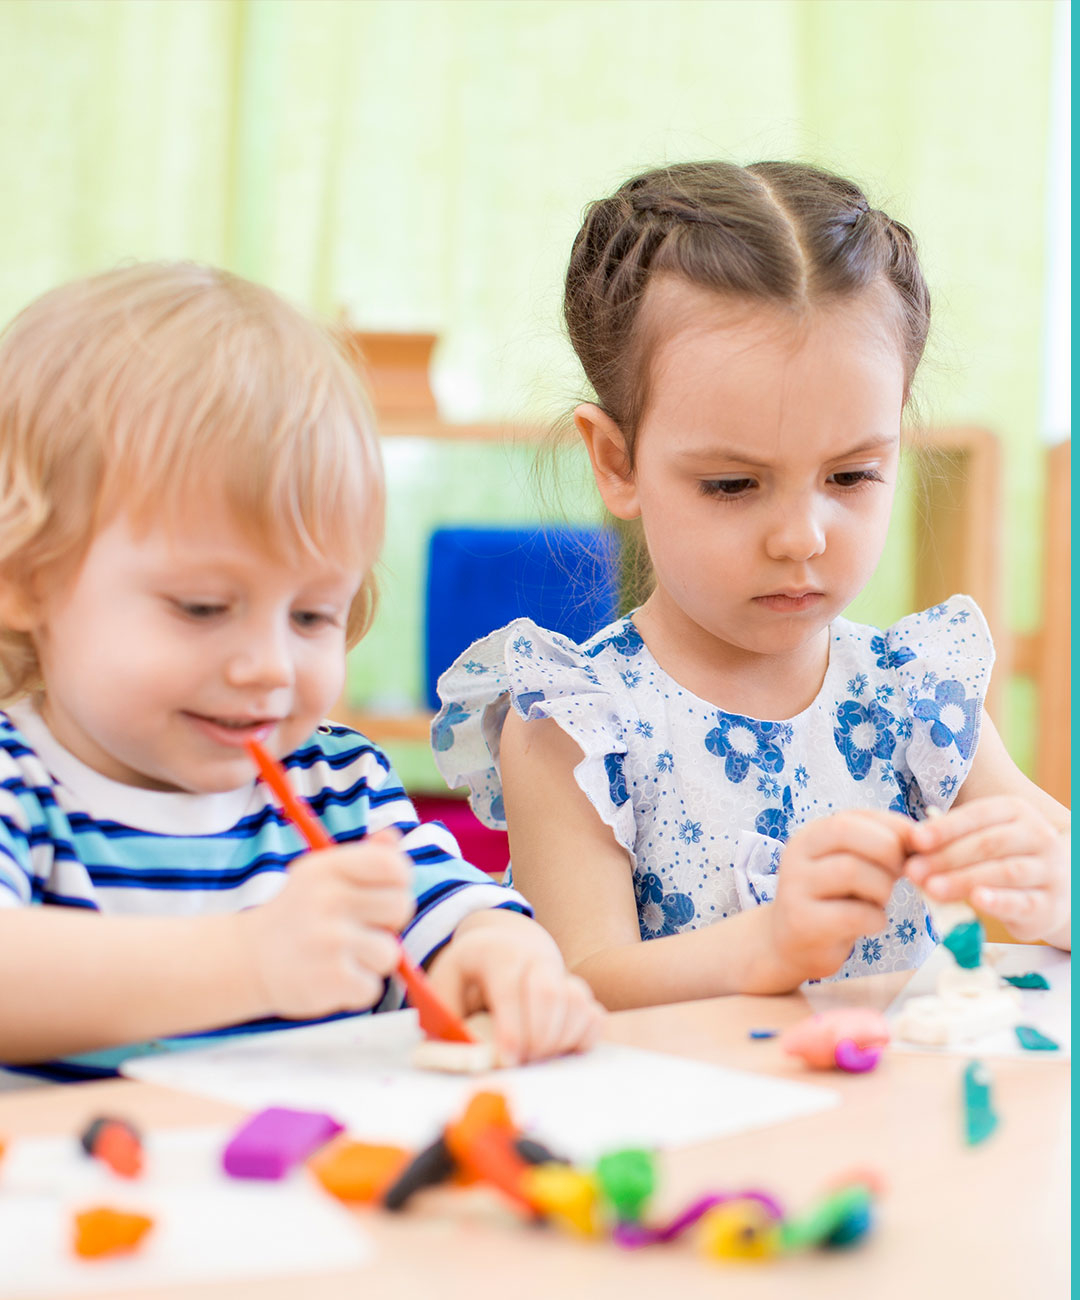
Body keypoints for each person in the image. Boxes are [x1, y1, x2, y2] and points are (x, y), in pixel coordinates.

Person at [433, 161, 1070, 1011]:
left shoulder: (920, 693)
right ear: (616, 462)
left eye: (851, 475)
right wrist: (768, 943)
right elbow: (578, 980)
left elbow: (1049, 865)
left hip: (890, 1134)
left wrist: (1057, 889)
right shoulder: (579, 725)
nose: (801, 536)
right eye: (733, 485)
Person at [0, 261, 603, 1078]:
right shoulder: (18, 783)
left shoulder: (335, 784)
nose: (267, 667)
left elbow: (450, 910)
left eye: (313, 615)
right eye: (204, 607)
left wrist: (508, 957)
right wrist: (245, 961)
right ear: (28, 582)